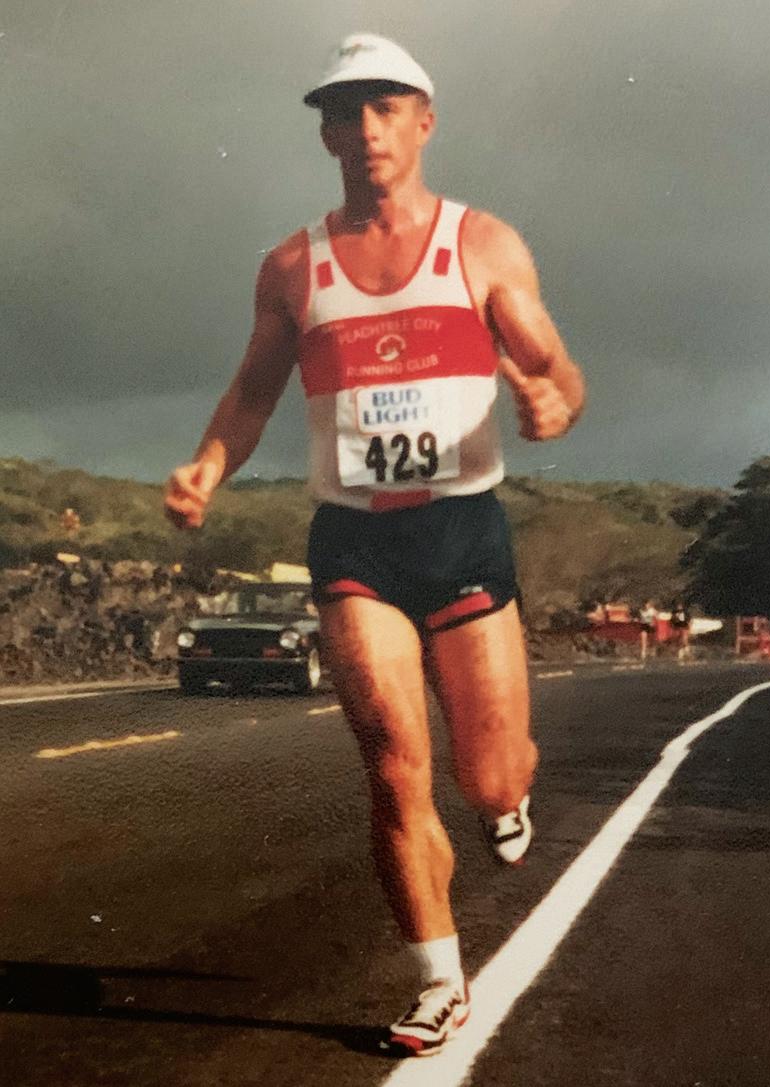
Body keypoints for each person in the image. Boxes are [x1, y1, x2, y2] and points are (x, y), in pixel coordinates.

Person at [164, 33, 586, 1057]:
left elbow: (558, 373)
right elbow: (253, 392)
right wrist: (208, 466)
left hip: (462, 528)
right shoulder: (291, 268)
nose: (365, 130)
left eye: (385, 107)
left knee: (488, 777)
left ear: (423, 121)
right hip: (355, 541)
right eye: (344, 113)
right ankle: (439, 980)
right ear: (325, 135)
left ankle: (505, 797)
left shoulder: (482, 245)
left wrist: (551, 404)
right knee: (395, 766)